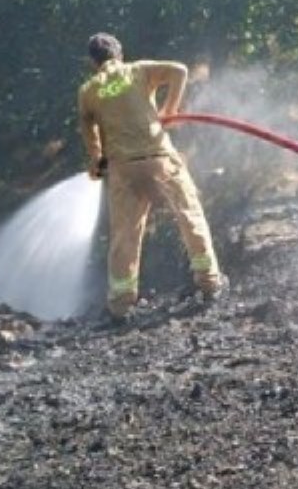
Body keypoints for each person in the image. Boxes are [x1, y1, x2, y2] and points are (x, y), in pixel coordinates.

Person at [77, 33, 225, 320]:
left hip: (123, 168)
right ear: (120, 54)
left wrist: (96, 161)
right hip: (159, 158)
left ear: (92, 62)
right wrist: (169, 110)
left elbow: (88, 131)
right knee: (189, 214)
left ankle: (121, 305)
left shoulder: (89, 90)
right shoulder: (138, 70)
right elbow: (179, 70)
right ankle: (209, 284)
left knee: (125, 235)